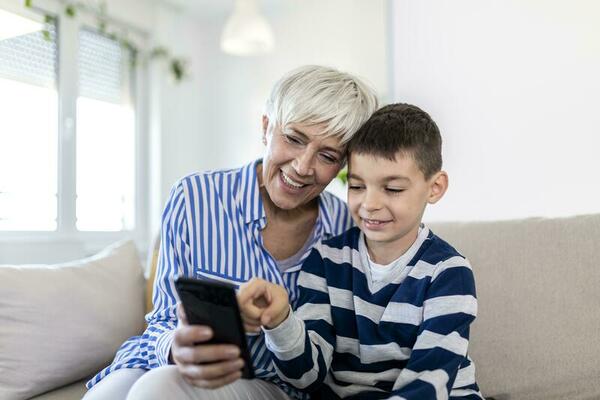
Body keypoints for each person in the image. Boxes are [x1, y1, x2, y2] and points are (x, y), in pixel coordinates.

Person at [82, 65, 378, 400]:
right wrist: (175, 348)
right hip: (161, 361)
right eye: (293, 139)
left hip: (271, 383)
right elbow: (163, 319)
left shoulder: (343, 225)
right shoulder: (194, 198)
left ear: (341, 166)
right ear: (266, 127)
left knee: (159, 389)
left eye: (327, 156)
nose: (302, 167)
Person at [238, 103, 484, 399]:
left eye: (392, 189)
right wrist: (280, 320)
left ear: (435, 188)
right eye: (356, 186)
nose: (370, 204)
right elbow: (306, 376)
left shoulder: (448, 273)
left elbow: (428, 384)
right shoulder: (326, 262)